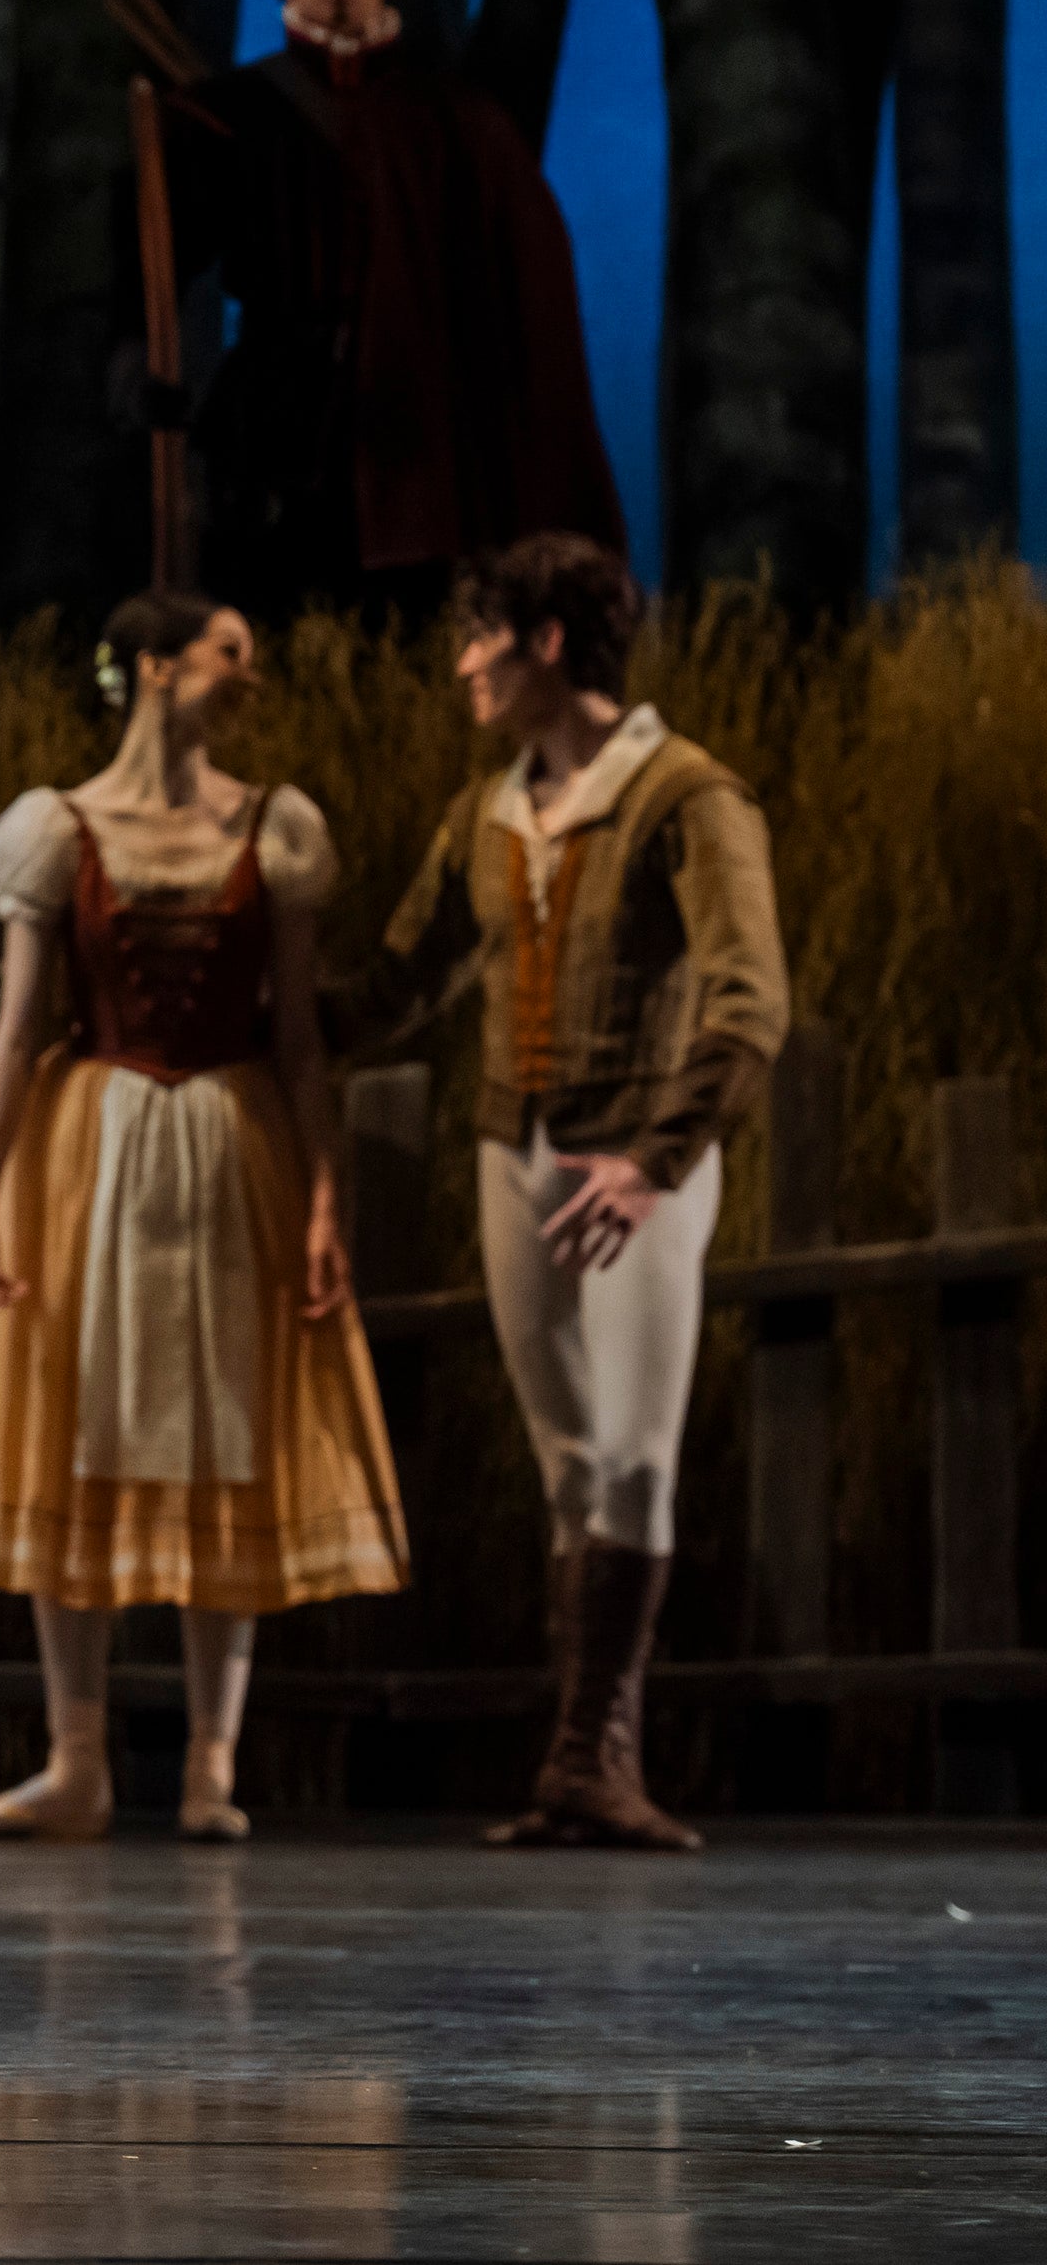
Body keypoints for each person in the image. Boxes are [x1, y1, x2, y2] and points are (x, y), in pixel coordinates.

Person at [0, 594, 408, 1841]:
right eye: (226, 651)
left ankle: (209, 1764)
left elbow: (296, 1040)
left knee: (220, 1423)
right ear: (150, 665)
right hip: (88, 1146)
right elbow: (17, 1025)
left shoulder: (273, 825)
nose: (248, 674)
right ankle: (75, 1756)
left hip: (229, 1140)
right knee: (71, 1423)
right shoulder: (57, 827)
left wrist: (320, 1197)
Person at [361, 534, 784, 1851]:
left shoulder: (683, 793)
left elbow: (748, 993)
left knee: (639, 1457)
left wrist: (659, 1156)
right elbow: (404, 973)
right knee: (568, 1462)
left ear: (548, 640)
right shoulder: (491, 807)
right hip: (517, 1148)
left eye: (484, 632)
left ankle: (596, 1753)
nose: (466, 660)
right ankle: (579, 1762)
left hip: (632, 1163)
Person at [139, 0, 625, 622]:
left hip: (423, 460)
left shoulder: (463, 126)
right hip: (273, 448)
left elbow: (532, 310)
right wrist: (131, 360)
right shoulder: (221, 117)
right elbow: (146, 268)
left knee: (412, 652)